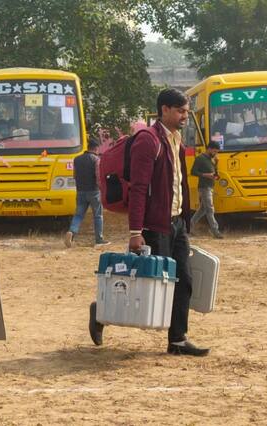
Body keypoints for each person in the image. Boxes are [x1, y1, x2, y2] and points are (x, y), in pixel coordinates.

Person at [91, 88, 210, 357]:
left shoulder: (176, 139)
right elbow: (138, 187)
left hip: (176, 223)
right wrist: (135, 231)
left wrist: (185, 219)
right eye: (180, 111)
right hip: (154, 226)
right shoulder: (149, 140)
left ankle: (177, 340)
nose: (185, 116)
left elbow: (177, 183)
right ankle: (100, 312)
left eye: (186, 112)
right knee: (143, 286)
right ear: (164, 110)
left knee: (183, 281)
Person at [64, 136, 109, 248]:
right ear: (96, 148)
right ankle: (99, 239)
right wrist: (102, 189)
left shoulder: (77, 159)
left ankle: (71, 232)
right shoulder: (96, 160)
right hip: (94, 191)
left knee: (78, 215)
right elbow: (98, 177)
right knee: (98, 216)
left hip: (80, 191)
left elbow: (74, 175)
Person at [190, 141, 223, 239]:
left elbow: (215, 172)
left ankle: (189, 225)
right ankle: (215, 231)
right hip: (204, 187)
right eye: (214, 151)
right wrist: (205, 175)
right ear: (209, 149)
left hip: (210, 186)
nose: (215, 153)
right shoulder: (200, 158)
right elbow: (193, 172)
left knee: (203, 209)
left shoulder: (212, 159)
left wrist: (216, 165)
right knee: (210, 208)